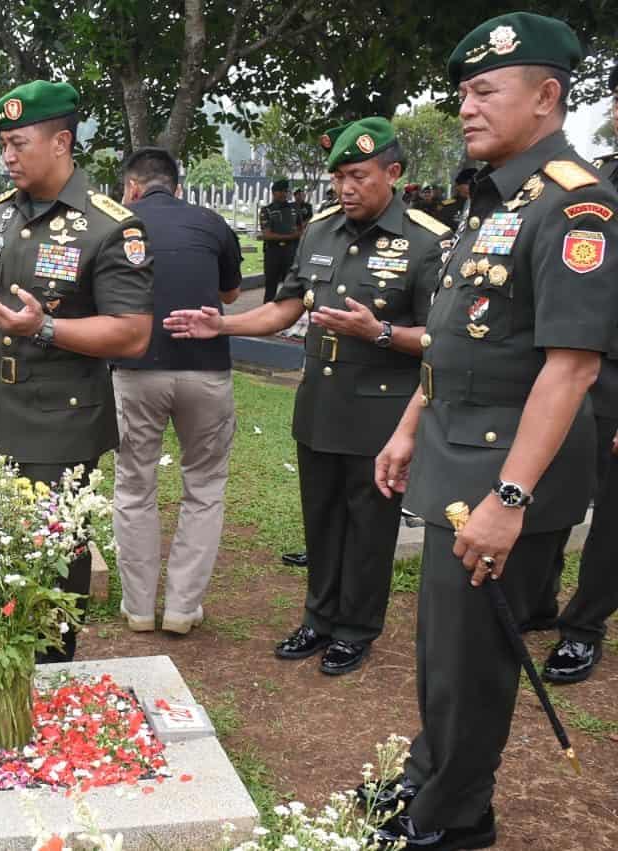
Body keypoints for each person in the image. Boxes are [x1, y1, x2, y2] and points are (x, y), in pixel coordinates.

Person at [370, 15, 618, 849]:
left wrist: (510, 497)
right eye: (463, 92)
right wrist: (409, 426)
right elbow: (455, 338)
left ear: (546, 97)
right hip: (452, 457)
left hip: (508, 475)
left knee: (475, 664)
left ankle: (455, 816)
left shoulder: (575, 204)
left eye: (485, 91)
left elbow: (571, 367)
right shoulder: (494, 197)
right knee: (446, 648)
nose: (466, 107)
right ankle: (427, 775)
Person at [168, 117, 446, 676]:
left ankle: (356, 628)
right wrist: (221, 326)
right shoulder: (320, 231)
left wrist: (382, 333)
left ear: (392, 173)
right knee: (320, 519)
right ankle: (319, 618)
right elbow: (287, 306)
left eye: (359, 176)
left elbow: (446, 340)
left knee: (370, 526)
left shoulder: (427, 241)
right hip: (320, 403)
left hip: (383, 414)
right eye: (339, 176)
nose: (346, 188)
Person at [0, 80, 154, 662]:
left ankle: (51, 673)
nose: (7, 156)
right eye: (3, 144)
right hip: (0, 411)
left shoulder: (110, 226)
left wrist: (45, 328)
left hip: (62, 421)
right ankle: (3, 666)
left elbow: (131, 332)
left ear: (61, 142)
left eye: (18, 143)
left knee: (55, 558)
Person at [112, 146, 241, 635]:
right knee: (204, 489)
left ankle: (139, 608)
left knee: (133, 485)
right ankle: (183, 609)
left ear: (132, 188)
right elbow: (229, 294)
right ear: (178, 187)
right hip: (205, 371)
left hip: (135, 368)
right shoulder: (210, 223)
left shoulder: (116, 224)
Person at [536, 65, 618, 685]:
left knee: (613, 510)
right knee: (551, 481)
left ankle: (584, 625)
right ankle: (537, 599)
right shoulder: (600, 175)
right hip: (571, 363)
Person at [258, 179, 301, 302]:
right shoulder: (267, 210)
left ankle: (285, 317)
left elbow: (300, 228)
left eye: (285, 191)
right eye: (280, 191)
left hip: (291, 253)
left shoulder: (294, 208)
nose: (283, 194)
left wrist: (297, 235)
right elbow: (267, 235)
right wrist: (291, 236)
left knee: (290, 288)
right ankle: (266, 316)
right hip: (273, 253)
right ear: (273, 192)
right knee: (270, 288)